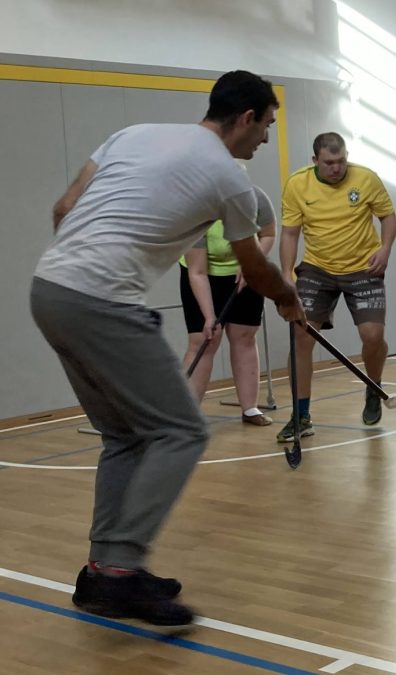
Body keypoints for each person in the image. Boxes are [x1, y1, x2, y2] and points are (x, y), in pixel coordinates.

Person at [30, 70, 304, 625]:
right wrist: (288, 299)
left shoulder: (133, 134)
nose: (267, 139)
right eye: (267, 126)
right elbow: (253, 265)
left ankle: (102, 571)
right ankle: (123, 573)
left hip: (50, 289)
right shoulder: (227, 176)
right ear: (246, 118)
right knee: (181, 429)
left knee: (126, 437)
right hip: (101, 302)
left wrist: (88, 264)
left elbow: (64, 208)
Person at [277, 132, 396, 440]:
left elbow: (388, 218)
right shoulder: (297, 185)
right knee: (300, 337)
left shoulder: (366, 179)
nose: (336, 168)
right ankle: (301, 415)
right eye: (329, 163)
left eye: (341, 161)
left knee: (373, 335)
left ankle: (374, 387)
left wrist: (384, 248)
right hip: (317, 269)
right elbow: (290, 233)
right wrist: (285, 274)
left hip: (363, 267)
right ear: (315, 160)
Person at [179, 181, 277, 425]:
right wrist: (210, 316)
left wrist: (252, 262)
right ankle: (186, 416)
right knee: (203, 340)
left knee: (244, 335)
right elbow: (197, 272)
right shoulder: (197, 211)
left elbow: (268, 234)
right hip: (204, 275)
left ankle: (250, 408)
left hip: (245, 270)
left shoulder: (256, 198)